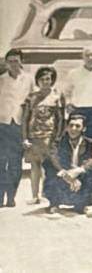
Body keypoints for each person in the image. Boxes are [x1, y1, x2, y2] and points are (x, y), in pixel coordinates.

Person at [41, 114, 92, 217]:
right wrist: (65, 174)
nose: (73, 129)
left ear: (84, 128)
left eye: (77, 126)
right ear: (67, 127)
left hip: (80, 179)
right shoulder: (58, 142)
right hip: (64, 179)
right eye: (71, 125)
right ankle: (54, 203)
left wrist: (79, 170)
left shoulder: (90, 143)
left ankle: (85, 204)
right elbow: (52, 158)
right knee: (48, 164)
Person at [21, 66, 65, 205]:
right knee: (35, 166)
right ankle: (35, 196)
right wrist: (25, 138)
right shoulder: (31, 97)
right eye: (42, 79)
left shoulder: (57, 97)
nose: (45, 82)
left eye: (48, 79)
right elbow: (25, 118)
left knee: (49, 167)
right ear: (37, 81)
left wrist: (58, 137)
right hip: (34, 137)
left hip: (50, 137)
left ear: (52, 80)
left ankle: (48, 195)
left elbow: (61, 119)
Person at [0, 49, 35, 207]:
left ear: (22, 62)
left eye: (16, 61)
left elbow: (33, 99)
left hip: (19, 125)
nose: (13, 64)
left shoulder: (29, 79)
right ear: (6, 63)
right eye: (10, 61)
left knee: (15, 163)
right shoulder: (1, 79)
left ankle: (11, 196)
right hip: (2, 124)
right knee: (1, 162)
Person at [64, 45, 92, 152]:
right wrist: (68, 103)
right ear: (82, 57)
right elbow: (67, 92)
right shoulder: (73, 73)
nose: (90, 58)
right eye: (87, 55)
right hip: (79, 111)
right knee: (77, 143)